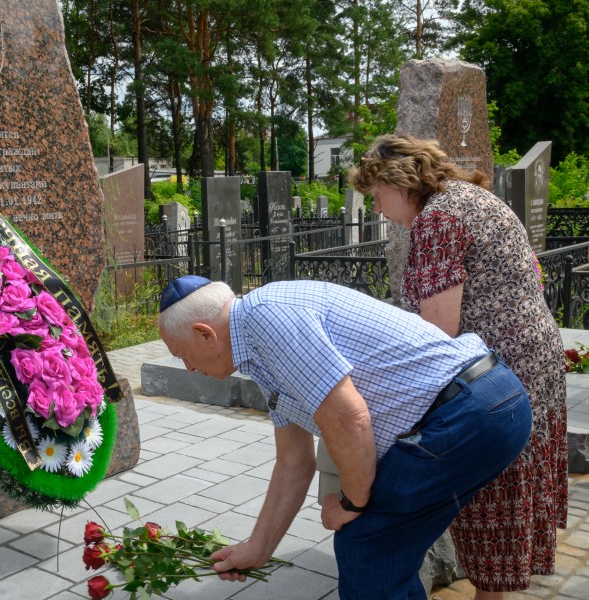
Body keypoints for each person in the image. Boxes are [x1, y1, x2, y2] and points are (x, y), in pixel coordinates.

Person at [156, 276, 532, 600]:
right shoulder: (258, 349)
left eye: (183, 355)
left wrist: (352, 502)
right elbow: (293, 462)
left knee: (367, 544)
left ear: (204, 334)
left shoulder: (265, 317)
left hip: (468, 411)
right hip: (484, 406)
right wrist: (258, 548)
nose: (189, 368)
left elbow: (349, 419)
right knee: (383, 547)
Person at [348, 134, 568, 599]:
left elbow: (438, 333)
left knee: (490, 491)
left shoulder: (437, 220)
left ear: (400, 182)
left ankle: (489, 594)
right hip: (536, 356)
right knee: (509, 487)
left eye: (377, 198)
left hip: (499, 373)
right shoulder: (472, 197)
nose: (380, 212)